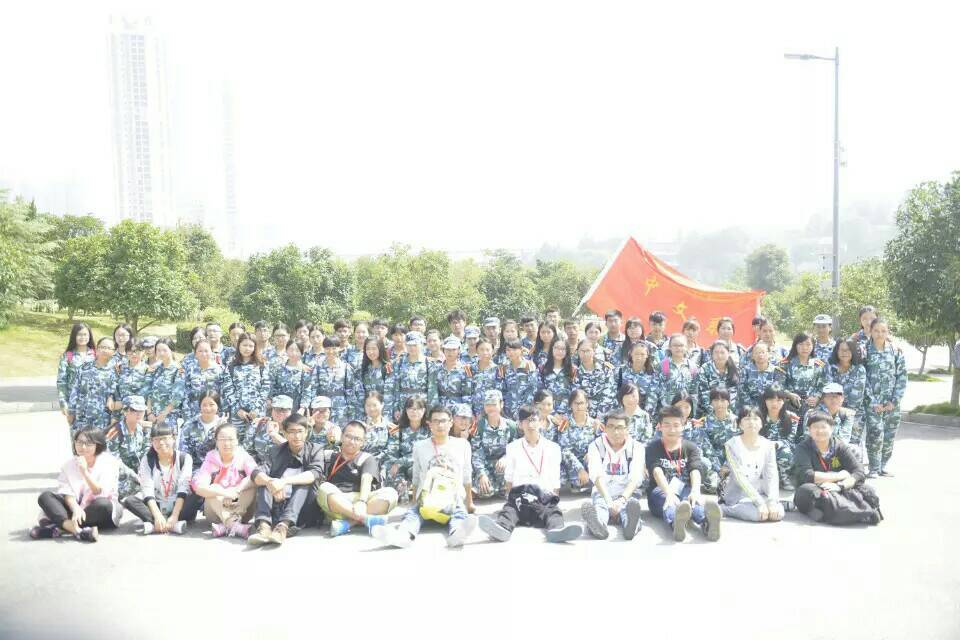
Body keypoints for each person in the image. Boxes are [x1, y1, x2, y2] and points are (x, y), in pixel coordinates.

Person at [371, 405, 478, 548]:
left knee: (459, 513)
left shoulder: (463, 445)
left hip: (452, 497)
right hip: (427, 498)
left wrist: (469, 503)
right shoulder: (420, 446)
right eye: (436, 421)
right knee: (412, 515)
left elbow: (466, 475)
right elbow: (416, 476)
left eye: (443, 421)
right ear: (429, 424)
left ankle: (458, 534)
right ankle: (403, 536)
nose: (440, 425)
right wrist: (414, 501)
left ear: (451, 423)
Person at [477, 406, 583, 543]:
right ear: (520, 425)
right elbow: (509, 478)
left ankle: (557, 531)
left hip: (543, 497)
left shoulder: (553, 448)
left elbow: (555, 478)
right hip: (521, 497)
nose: (530, 424)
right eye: (526, 421)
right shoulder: (513, 447)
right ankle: (502, 529)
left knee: (553, 513)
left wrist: (554, 500)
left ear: (540, 422)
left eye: (533, 420)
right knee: (509, 511)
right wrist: (510, 499)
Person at [31, 428, 121, 542]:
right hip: (76, 509)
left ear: (98, 445)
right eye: (79, 442)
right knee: (45, 496)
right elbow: (67, 492)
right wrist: (75, 508)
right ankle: (78, 531)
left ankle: (60, 526)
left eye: (88, 443)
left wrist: (84, 472)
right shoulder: (69, 465)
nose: (83, 447)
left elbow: (100, 492)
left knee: (104, 505)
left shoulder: (109, 462)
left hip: (98, 510)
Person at [645, 406, 722, 542]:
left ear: (683, 426)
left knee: (692, 501)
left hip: (684, 488)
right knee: (669, 501)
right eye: (667, 425)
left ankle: (708, 523)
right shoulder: (653, 447)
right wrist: (669, 493)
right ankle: (676, 524)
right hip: (660, 489)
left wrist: (695, 491)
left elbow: (695, 470)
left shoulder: (690, 447)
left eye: (676, 425)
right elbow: (657, 472)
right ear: (660, 426)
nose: (672, 429)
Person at [246, 413, 325, 545]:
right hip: (277, 505)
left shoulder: (315, 450)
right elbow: (256, 473)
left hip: (303, 510)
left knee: (304, 483)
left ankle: (283, 527)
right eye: (292, 432)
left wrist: (283, 482)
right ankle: (264, 526)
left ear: (306, 432)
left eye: (300, 431)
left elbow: (314, 473)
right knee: (265, 481)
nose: (297, 436)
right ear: (284, 433)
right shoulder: (275, 451)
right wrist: (270, 483)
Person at [792, 411, 882, 526]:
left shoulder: (840, 446)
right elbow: (808, 475)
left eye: (823, 427)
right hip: (816, 487)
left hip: (839, 487)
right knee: (807, 491)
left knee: (867, 489)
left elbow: (859, 471)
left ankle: (847, 513)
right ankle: (861, 513)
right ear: (809, 430)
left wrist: (841, 486)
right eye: (815, 427)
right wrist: (839, 476)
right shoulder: (802, 448)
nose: (819, 431)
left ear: (831, 428)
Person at [318, 421, 398, 538]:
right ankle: (366, 518)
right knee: (324, 488)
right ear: (341, 437)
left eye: (357, 439)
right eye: (348, 436)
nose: (352, 441)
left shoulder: (367, 458)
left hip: (362, 499)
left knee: (391, 493)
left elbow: (367, 479)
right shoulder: (330, 456)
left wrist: (361, 501)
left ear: (363, 442)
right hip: (338, 501)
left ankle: (348, 523)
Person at [579, 410, 644, 540]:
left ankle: (631, 526)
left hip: (627, 493)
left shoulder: (636, 447)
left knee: (628, 508)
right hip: (604, 492)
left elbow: (636, 477)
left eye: (620, 427)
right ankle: (598, 526)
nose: (616, 432)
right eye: (611, 427)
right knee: (600, 507)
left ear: (627, 429)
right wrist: (609, 502)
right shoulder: (596, 446)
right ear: (604, 428)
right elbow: (596, 475)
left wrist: (621, 500)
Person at [122, 426, 193, 535]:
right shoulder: (147, 460)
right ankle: (171, 525)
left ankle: (156, 526)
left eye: (165, 438)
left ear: (174, 438)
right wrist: (157, 515)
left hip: (178, 504)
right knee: (130, 500)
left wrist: (174, 515)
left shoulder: (184, 458)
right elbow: (147, 489)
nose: (161, 442)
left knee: (198, 496)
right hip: (157, 503)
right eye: (156, 439)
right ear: (151, 442)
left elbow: (183, 487)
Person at [192, 423, 258, 538]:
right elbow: (199, 487)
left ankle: (226, 526)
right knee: (213, 488)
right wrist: (225, 493)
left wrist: (236, 491)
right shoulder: (210, 459)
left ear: (237, 441)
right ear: (216, 442)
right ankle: (232, 523)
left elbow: (256, 475)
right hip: (216, 512)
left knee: (252, 481)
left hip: (241, 508)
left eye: (230, 439)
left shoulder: (244, 457)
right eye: (222, 439)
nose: (226, 443)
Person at [720, 407, 783, 522]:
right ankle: (724, 509)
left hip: (761, 492)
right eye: (747, 419)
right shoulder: (731, 445)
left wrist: (772, 501)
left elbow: (772, 474)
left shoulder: (768, 445)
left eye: (755, 419)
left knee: (778, 514)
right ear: (740, 424)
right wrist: (759, 503)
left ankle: (773, 505)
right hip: (738, 494)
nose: (751, 422)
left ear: (761, 424)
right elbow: (739, 477)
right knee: (756, 515)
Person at [863, 318, 907, 477]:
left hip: (891, 403)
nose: (880, 334)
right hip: (873, 403)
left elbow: (902, 376)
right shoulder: (864, 351)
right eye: (876, 330)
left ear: (888, 332)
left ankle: (883, 466)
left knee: (889, 435)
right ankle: (874, 468)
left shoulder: (895, 351)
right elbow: (862, 378)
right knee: (875, 434)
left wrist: (894, 401)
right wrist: (873, 401)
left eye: (883, 331)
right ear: (870, 331)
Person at [220, 332, 270, 446]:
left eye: (251, 346)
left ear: (255, 347)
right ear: (239, 346)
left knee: (257, 444)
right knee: (237, 443)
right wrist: (238, 409)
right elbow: (228, 389)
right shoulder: (231, 365)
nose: (247, 349)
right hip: (238, 413)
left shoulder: (261, 364)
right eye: (244, 345)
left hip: (256, 413)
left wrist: (256, 408)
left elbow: (265, 387)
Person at [383, 395, 431, 500]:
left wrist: (402, 461)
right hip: (401, 470)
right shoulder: (398, 431)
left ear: (424, 411)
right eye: (411, 408)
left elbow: (428, 455)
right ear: (406, 410)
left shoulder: (430, 431)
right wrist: (396, 468)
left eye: (418, 408)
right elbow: (391, 455)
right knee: (398, 489)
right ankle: (403, 489)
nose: (414, 412)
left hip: (422, 468)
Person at [472, 389, 518, 499]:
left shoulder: (510, 426)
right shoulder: (479, 426)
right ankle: (495, 487)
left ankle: (502, 488)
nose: (491, 408)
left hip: (503, 467)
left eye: (494, 404)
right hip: (486, 466)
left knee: (512, 487)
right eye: (487, 405)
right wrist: (482, 474)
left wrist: (506, 458)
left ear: (501, 404)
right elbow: (476, 453)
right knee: (485, 492)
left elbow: (516, 450)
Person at [68, 337, 119, 433]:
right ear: (97, 349)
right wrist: (71, 411)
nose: (105, 350)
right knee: (80, 441)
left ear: (114, 351)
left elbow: (117, 396)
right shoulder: (84, 367)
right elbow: (75, 389)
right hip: (82, 417)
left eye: (109, 348)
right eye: (102, 347)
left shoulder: (116, 371)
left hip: (103, 420)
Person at [105, 395, 150, 500]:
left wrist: (144, 471)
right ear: (125, 412)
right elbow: (114, 461)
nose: (139, 414)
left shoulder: (144, 429)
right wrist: (134, 475)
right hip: (120, 476)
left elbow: (146, 452)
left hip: (140, 472)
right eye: (134, 410)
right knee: (135, 491)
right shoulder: (115, 432)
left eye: (141, 410)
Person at [827, 338, 867, 452]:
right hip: (831, 412)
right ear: (837, 351)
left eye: (848, 350)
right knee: (830, 445)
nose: (845, 353)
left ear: (853, 352)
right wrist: (834, 412)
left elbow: (857, 397)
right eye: (842, 350)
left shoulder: (859, 369)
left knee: (851, 448)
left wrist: (844, 413)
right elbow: (827, 391)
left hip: (853, 414)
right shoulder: (830, 367)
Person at [558, 389, 602, 492]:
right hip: (572, 463)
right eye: (576, 403)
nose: (579, 406)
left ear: (587, 404)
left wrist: (592, 453)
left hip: (590, 461)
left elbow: (602, 444)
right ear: (570, 405)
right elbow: (564, 450)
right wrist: (580, 469)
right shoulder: (564, 424)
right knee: (566, 479)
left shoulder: (595, 423)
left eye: (582, 403)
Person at [759, 385, 799, 489]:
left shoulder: (792, 418)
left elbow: (790, 441)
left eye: (779, 400)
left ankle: (784, 478)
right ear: (765, 401)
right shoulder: (757, 417)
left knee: (786, 452)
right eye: (771, 400)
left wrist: (775, 444)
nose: (774, 404)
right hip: (761, 450)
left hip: (781, 451)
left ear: (784, 401)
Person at [309, 336, 355, 426]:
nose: (330, 351)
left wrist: (351, 412)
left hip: (340, 410)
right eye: (327, 348)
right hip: (322, 409)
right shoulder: (318, 367)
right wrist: (314, 408)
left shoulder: (345, 367)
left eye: (334, 348)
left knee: (339, 433)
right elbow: (313, 389)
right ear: (323, 349)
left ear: (339, 348)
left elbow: (350, 391)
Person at [782, 332, 827, 422]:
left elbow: (824, 385)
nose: (804, 348)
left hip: (812, 408)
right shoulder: (785, 364)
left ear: (813, 346)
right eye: (801, 344)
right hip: (790, 407)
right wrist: (789, 395)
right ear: (795, 345)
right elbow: (777, 385)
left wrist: (817, 398)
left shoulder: (819, 365)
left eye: (808, 344)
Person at [57, 322, 97, 423]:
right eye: (79, 334)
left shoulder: (96, 354)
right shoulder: (68, 355)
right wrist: (63, 403)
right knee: (76, 432)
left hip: (93, 404)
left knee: (94, 433)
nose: (82, 337)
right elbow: (61, 382)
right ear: (74, 336)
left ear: (90, 336)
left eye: (85, 334)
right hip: (73, 405)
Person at [391, 331, 436, 420]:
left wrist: (431, 411)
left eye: (415, 345)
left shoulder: (429, 363)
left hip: (422, 406)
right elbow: (396, 387)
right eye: (409, 345)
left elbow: (432, 390)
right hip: (403, 405)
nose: (412, 348)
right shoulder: (398, 362)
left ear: (421, 345)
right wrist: (396, 408)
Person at [178, 390, 223, 477]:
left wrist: (218, 431)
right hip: (196, 469)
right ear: (199, 406)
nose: (208, 408)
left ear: (218, 406)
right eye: (204, 405)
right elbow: (184, 454)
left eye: (211, 405)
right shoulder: (189, 425)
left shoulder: (223, 425)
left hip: (219, 468)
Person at [143, 338, 185, 431]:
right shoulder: (156, 368)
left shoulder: (178, 370)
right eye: (158, 350)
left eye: (164, 350)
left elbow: (177, 397)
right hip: (152, 416)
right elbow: (149, 392)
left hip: (169, 417)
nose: (161, 353)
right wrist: (149, 413)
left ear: (171, 350)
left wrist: (163, 414)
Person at [181, 338, 224, 423]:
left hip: (213, 414)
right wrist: (187, 416)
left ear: (211, 352)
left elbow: (223, 394)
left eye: (206, 351)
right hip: (193, 414)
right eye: (200, 351)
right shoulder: (190, 370)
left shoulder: (220, 370)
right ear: (195, 354)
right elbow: (185, 394)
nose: (204, 354)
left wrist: (220, 415)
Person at [658, 334, 699, 416]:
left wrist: (692, 414)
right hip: (667, 413)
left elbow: (694, 392)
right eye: (675, 345)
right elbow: (657, 391)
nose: (678, 348)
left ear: (686, 347)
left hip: (686, 413)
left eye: (681, 345)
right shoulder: (663, 365)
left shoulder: (692, 366)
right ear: (670, 347)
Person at [269, 339, 314, 414]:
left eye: (297, 350)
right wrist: (270, 400)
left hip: (296, 410)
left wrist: (302, 408)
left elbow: (307, 391)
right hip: (278, 408)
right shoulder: (278, 368)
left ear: (302, 353)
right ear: (286, 350)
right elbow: (271, 386)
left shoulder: (305, 370)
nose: (294, 353)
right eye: (291, 350)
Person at [575, 339, 617, 418]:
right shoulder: (575, 372)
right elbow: (576, 397)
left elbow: (609, 394)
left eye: (588, 350)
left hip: (605, 413)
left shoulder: (605, 369)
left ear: (594, 351)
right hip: (584, 416)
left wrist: (599, 418)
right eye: (582, 351)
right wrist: (588, 419)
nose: (585, 354)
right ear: (578, 352)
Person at [246, 394, 294, 464]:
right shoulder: (258, 424)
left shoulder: (297, 429)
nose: (280, 413)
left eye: (285, 410)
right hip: (259, 467)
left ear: (290, 411)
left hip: (286, 468)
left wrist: (276, 437)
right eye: (277, 409)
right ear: (272, 410)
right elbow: (248, 451)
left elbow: (299, 455)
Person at [616, 341, 660, 415]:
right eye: (636, 354)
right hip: (622, 412)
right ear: (631, 354)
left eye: (642, 354)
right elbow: (615, 392)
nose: (639, 357)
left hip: (643, 413)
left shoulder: (653, 374)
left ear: (647, 355)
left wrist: (644, 416)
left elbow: (652, 398)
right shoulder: (620, 370)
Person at [697, 341, 740, 416]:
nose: (719, 356)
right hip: (707, 413)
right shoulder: (704, 369)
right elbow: (704, 395)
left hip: (729, 413)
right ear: (712, 354)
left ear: (728, 353)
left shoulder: (735, 370)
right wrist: (715, 413)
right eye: (716, 352)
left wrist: (727, 414)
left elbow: (734, 395)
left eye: (722, 352)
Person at [500, 339, 539, 420]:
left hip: (524, 410)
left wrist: (523, 408)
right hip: (508, 410)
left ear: (521, 350)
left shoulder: (529, 365)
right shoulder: (504, 367)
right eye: (508, 350)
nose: (511, 352)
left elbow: (532, 388)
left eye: (514, 349)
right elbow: (503, 388)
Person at [738, 342, 786, 410]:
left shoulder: (777, 372)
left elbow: (778, 392)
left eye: (763, 352)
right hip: (750, 409)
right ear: (752, 356)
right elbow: (742, 392)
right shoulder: (745, 371)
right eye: (757, 352)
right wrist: (753, 408)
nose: (760, 355)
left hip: (771, 407)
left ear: (769, 354)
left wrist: (768, 407)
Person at [357, 337, 395, 420]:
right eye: (368, 349)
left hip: (383, 413)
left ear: (380, 349)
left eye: (374, 349)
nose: (371, 352)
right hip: (367, 413)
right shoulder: (362, 369)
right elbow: (360, 394)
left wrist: (386, 417)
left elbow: (389, 394)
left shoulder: (387, 367)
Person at [113, 340, 149, 424]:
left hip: (139, 415)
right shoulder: (120, 367)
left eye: (137, 351)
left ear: (143, 352)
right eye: (130, 351)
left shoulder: (148, 370)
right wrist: (114, 416)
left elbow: (145, 394)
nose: (134, 354)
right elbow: (116, 390)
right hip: (120, 413)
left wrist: (124, 403)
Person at [433, 336, 473, 413]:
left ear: (459, 350)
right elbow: (433, 391)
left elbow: (467, 393)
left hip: (458, 408)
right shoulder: (436, 368)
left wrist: (467, 411)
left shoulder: (466, 369)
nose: (450, 353)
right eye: (448, 349)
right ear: (443, 350)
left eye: (454, 349)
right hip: (440, 408)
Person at [539, 338, 576, 416]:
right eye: (556, 348)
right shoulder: (542, 368)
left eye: (563, 349)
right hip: (547, 413)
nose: (559, 351)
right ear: (551, 349)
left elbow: (575, 394)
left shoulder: (573, 369)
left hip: (567, 414)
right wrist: (552, 413)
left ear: (567, 351)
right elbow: (540, 392)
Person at [361, 390, 394, 470]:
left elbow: (391, 451)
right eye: (368, 405)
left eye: (374, 405)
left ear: (382, 405)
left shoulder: (391, 427)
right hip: (361, 465)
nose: (371, 408)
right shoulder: (358, 426)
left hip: (383, 467)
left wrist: (374, 462)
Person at [468, 338, 500, 416]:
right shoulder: (470, 369)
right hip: (474, 412)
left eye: (488, 350)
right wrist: (470, 412)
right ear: (477, 351)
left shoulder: (498, 370)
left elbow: (500, 392)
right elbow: (467, 392)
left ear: (493, 351)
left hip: (492, 411)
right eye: (481, 350)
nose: (485, 353)